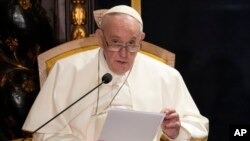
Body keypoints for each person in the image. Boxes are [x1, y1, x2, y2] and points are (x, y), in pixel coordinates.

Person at [22, 5, 209, 141]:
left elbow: (198, 125)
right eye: (116, 42)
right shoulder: (67, 70)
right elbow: (44, 133)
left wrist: (176, 131)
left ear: (141, 40)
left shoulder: (166, 76)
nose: (124, 53)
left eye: (132, 43)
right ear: (101, 39)